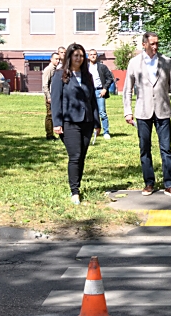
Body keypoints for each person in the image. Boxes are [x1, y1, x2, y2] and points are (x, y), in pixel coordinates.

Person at [122, 31, 171, 198]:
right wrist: (127, 111)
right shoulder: (134, 63)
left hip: (163, 111)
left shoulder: (166, 61)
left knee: (166, 149)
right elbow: (127, 89)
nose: (155, 46)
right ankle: (149, 183)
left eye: (157, 43)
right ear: (144, 44)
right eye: (152, 43)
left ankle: (169, 184)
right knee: (145, 148)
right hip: (143, 112)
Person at [51, 43, 101, 205]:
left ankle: (77, 184)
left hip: (87, 122)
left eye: (81, 56)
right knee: (75, 156)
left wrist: (97, 122)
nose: (79, 59)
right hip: (69, 122)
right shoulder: (60, 75)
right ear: (69, 57)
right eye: (76, 56)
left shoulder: (87, 76)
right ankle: (75, 191)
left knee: (82, 157)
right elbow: (56, 101)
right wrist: (57, 122)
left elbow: (93, 101)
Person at [87, 49, 114, 140]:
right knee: (90, 113)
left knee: (102, 112)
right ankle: (92, 131)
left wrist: (105, 88)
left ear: (97, 56)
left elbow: (110, 78)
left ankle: (106, 132)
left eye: (94, 54)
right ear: (88, 56)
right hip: (89, 93)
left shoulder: (102, 67)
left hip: (99, 92)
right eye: (91, 54)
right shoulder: (85, 68)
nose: (93, 56)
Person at [42, 52, 61, 140]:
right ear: (51, 59)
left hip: (55, 95)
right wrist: (48, 97)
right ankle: (49, 134)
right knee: (50, 115)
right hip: (50, 96)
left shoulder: (56, 69)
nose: (58, 61)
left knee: (55, 114)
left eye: (59, 59)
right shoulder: (48, 69)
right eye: (56, 59)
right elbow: (45, 85)